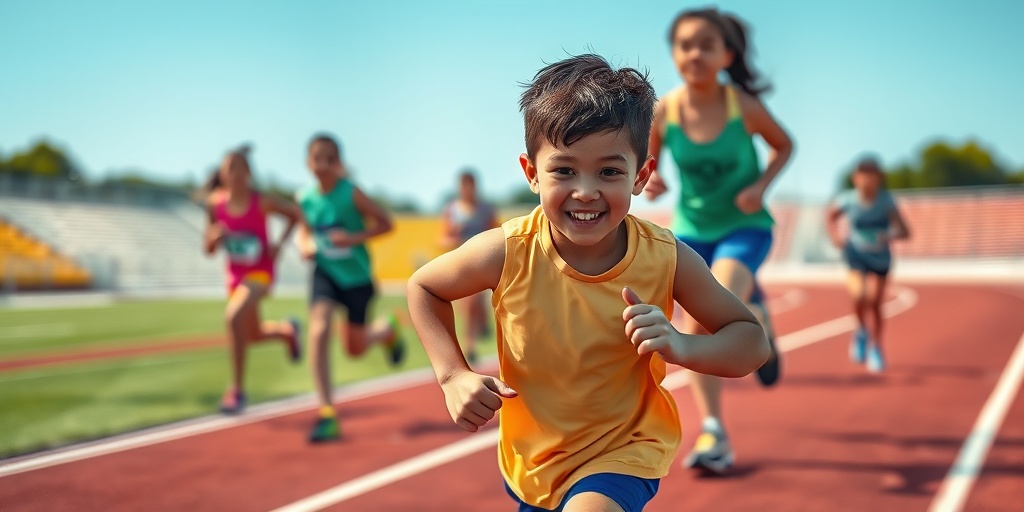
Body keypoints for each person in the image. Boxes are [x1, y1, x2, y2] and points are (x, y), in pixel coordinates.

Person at [407, 54, 769, 512]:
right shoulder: (508, 250)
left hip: (624, 451)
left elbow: (751, 341)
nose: (585, 190)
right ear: (531, 172)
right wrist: (452, 374)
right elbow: (425, 288)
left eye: (609, 171)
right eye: (564, 170)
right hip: (534, 463)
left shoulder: (666, 257)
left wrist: (681, 346)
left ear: (641, 176)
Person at [643, 7, 795, 474]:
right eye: (685, 44)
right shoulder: (664, 111)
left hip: (744, 228)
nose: (695, 53)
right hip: (691, 230)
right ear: (673, 53)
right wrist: (652, 180)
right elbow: (646, 161)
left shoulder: (741, 106)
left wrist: (759, 187)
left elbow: (784, 144)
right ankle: (714, 429)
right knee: (704, 317)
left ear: (727, 54)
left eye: (707, 45)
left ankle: (755, 318)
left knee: (708, 317)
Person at [295, 133, 407, 443]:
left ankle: (386, 330)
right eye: (318, 158)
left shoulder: (351, 194)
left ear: (339, 163)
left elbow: (386, 223)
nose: (324, 165)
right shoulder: (304, 198)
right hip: (325, 273)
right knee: (318, 329)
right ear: (308, 162)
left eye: (330, 159)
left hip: (356, 279)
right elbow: (303, 231)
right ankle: (327, 412)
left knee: (354, 349)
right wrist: (304, 244)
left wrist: (352, 239)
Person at [203, 146, 303, 415]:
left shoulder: (262, 201)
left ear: (248, 173)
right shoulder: (215, 204)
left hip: (261, 272)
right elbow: (208, 249)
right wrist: (213, 239)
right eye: (229, 167)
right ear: (222, 174)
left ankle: (236, 391)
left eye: (240, 167)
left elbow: (295, 214)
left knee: (233, 316)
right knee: (253, 335)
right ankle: (287, 332)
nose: (235, 173)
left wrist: (279, 245)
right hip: (235, 276)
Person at [826, 157, 910, 373]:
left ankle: (877, 347)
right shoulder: (848, 200)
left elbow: (905, 231)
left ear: (879, 179)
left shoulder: (885, 202)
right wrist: (835, 236)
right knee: (858, 295)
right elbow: (830, 216)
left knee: (874, 302)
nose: (866, 182)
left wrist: (889, 234)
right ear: (855, 179)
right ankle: (861, 331)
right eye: (862, 176)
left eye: (871, 177)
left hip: (880, 258)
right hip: (856, 254)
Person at [440, 169, 499, 365]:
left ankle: (471, 343)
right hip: (461, 262)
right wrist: (453, 236)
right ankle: (473, 338)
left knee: (474, 301)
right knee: (468, 304)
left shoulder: (486, 210)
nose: (467, 189)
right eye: (464, 186)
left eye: (470, 185)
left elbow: (497, 233)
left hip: (483, 261)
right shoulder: (452, 210)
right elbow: (443, 239)